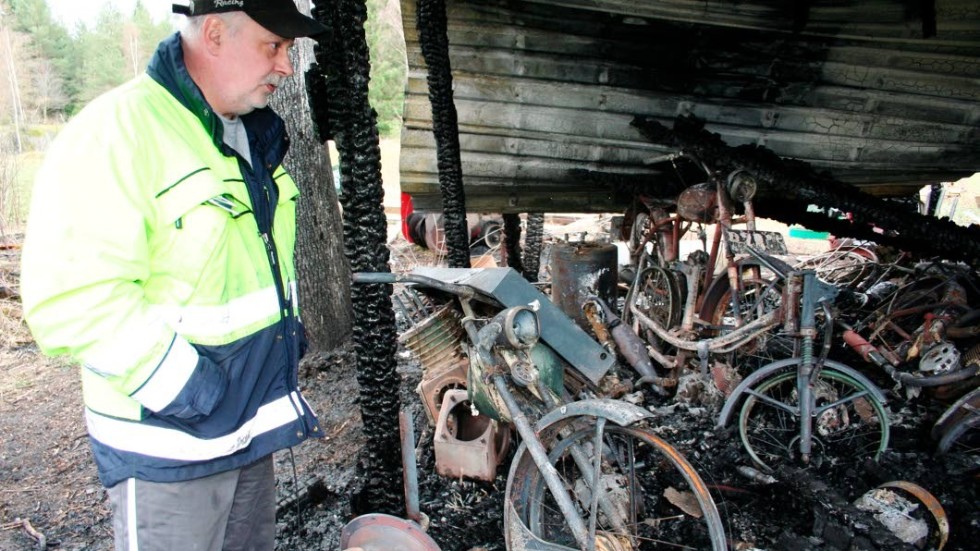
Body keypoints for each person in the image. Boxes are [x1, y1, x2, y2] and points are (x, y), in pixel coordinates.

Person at [20, 1, 328, 549]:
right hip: (172, 448)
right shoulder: (117, 135)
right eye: (273, 46)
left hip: (246, 431)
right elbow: (71, 298)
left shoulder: (243, 135)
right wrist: (193, 389)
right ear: (213, 34)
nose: (286, 66)